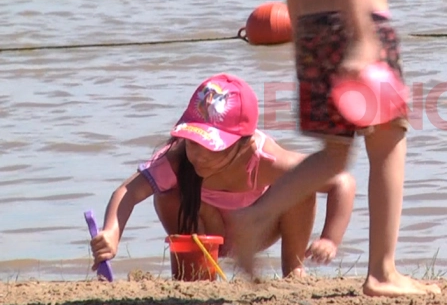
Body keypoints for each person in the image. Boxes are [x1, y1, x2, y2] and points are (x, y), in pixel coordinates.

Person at [229, 0, 441, 296]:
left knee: (333, 153)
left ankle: (252, 217)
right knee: (389, 140)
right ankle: (383, 272)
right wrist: (364, 38)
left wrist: (304, 42)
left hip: (312, 28)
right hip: (359, 22)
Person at [89, 73, 356, 278]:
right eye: (193, 142)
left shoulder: (263, 159)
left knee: (300, 189)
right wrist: (112, 232)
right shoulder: (178, 158)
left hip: (255, 230)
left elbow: (341, 181)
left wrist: (329, 239)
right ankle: (193, 274)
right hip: (202, 228)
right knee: (166, 193)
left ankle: (294, 271)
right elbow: (128, 191)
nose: (199, 155)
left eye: (212, 146)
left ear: (245, 144)